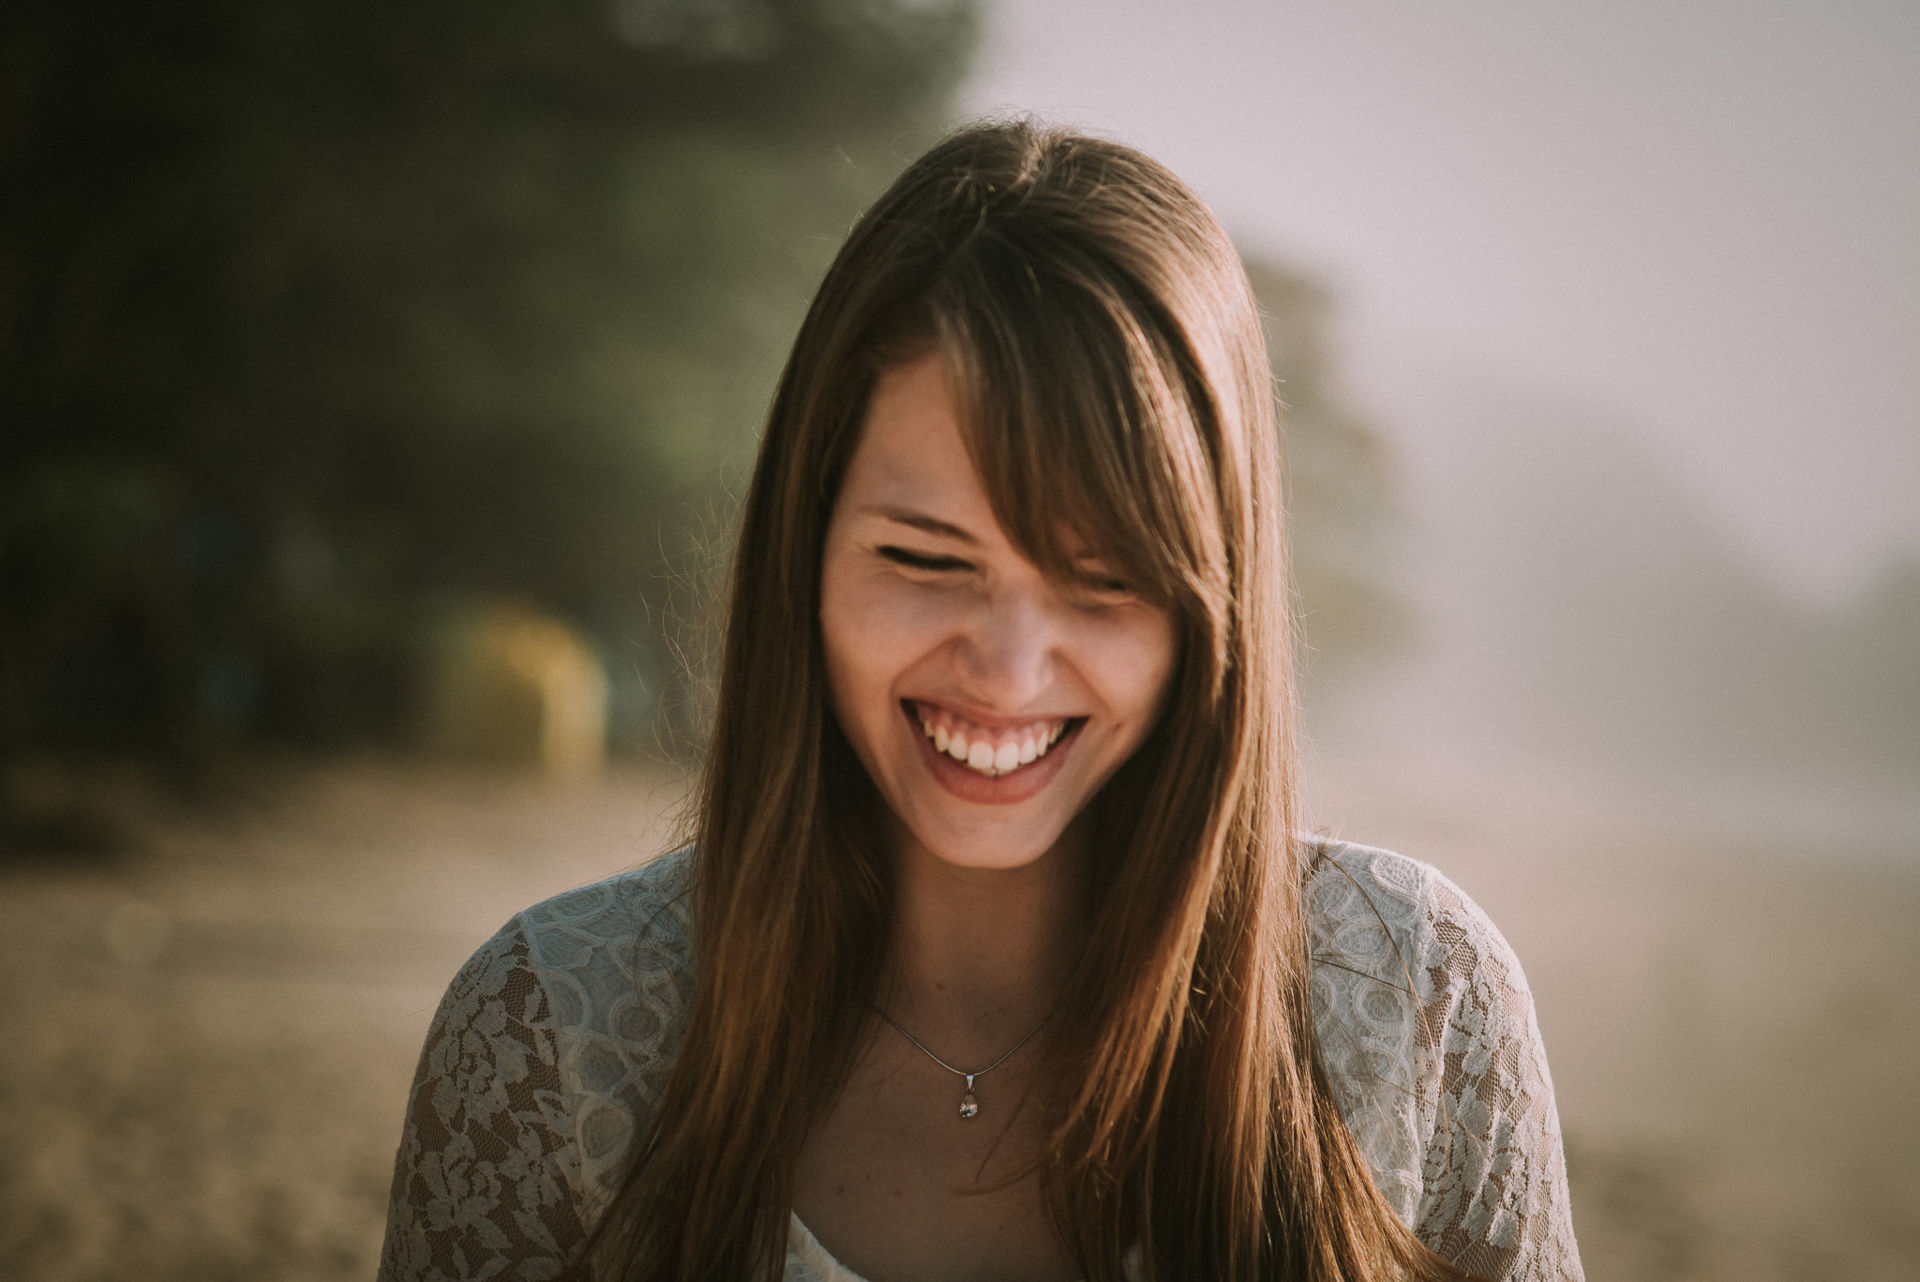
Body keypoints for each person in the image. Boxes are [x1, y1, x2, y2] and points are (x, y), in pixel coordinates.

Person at [377, 119, 1583, 1282]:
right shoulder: (552, 1032)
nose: (1007, 671)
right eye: (925, 558)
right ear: (807, 543)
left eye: (1104, 581)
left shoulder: (1415, 999)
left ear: (1210, 608)